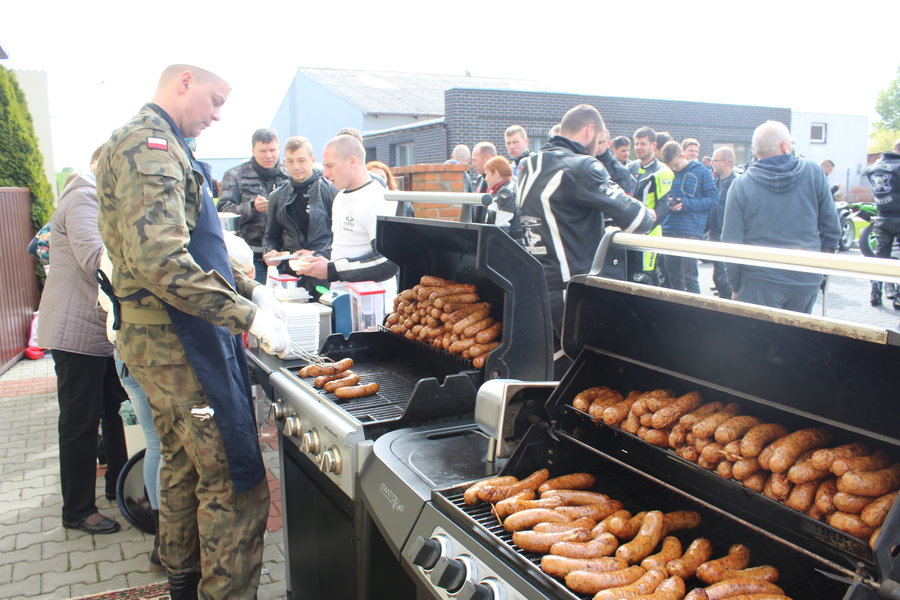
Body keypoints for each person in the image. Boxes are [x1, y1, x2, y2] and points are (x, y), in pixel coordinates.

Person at [96, 64, 291, 600]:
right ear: (184, 81)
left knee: (183, 466)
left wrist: (253, 291)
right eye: (215, 98)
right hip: (181, 348)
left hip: (171, 343)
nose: (219, 114)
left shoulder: (162, 145)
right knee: (233, 477)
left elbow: (199, 251)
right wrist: (250, 318)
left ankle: (183, 584)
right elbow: (162, 261)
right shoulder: (150, 147)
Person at [37, 148, 128, 537]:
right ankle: (76, 509)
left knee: (115, 409)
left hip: (99, 330)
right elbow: (95, 256)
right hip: (76, 331)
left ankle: (119, 488)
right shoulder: (83, 198)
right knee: (79, 422)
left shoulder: (97, 198)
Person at [517, 104, 656, 344]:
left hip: (536, 286)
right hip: (572, 290)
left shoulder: (528, 165)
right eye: (601, 139)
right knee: (589, 369)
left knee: (554, 370)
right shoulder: (581, 166)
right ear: (590, 131)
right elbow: (638, 221)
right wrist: (649, 212)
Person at [722, 120, 841, 313]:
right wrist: (822, 271)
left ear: (755, 150)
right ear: (785, 146)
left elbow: (730, 241)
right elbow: (832, 228)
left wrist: (735, 286)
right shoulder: (814, 172)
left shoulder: (741, 185)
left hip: (758, 283)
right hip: (805, 279)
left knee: (758, 341)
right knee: (795, 341)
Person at [294, 135, 400, 312]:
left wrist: (331, 269)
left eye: (330, 166)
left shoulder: (379, 200)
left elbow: (388, 261)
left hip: (373, 308)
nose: (325, 174)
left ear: (352, 161)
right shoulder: (340, 197)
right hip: (342, 300)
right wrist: (319, 257)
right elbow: (345, 244)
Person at [263, 136, 335, 293]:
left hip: (322, 271)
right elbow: (271, 236)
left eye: (301, 160)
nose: (296, 166)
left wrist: (317, 253)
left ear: (312, 159)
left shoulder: (330, 190)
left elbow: (340, 235)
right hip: (290, 275)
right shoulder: (277, 196)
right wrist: (271, 252)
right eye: (290, 161)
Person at [217, 128, 289, 283]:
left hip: (284, 257)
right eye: (263, 151)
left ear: (279, 148)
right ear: (253, 150)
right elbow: (223, 211)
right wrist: (251, 207)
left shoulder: (288, 175)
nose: (268, 156)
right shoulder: (236, 175)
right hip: (251, 259)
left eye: (272, 150)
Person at [659, 141, 720, 293]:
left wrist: (685, 204)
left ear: (683, 156)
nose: (674, 169)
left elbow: (713, 200)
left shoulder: (701, 171)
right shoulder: (666, 172)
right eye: (670, 166)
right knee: (673, 277)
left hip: (691, 231)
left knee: (689, 278)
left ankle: (694, 314)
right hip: (668, 230)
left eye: (676, 165)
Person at [627, 126, 674, 285]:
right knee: (627, 276)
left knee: (646, 278)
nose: (639, 147)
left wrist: (648, 225)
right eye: (637, 144)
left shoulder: (662, 171)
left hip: (650, 232)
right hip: (629, 231)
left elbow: (663, 206)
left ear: (653, 145)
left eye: (643, 144)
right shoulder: (630, 167)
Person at [863, 139, 900, 309]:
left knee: (880, 258)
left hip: (881, 217)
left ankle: (875, 292)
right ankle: (898, 297)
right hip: (899, 217)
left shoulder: (873, 168)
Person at [708, 147, 737, 298]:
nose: (712, 163)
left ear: (726, 162)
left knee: (725, 278)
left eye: (715, 160)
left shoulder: (736, 183)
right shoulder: (715, 182)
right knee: (718, 274)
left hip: (728, 237)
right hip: (715, 235)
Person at [480, 156, 523, 241]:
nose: (486, 178)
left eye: (487, 174)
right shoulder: (501, 190)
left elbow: (502, 228)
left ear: (496, 173)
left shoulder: (505, 193)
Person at [595, 130, 636, 194]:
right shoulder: (587, 164)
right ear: (614, 149)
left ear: (608, 143)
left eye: (628, 150)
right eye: (623, 151)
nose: (627, 154)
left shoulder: (628, 169)